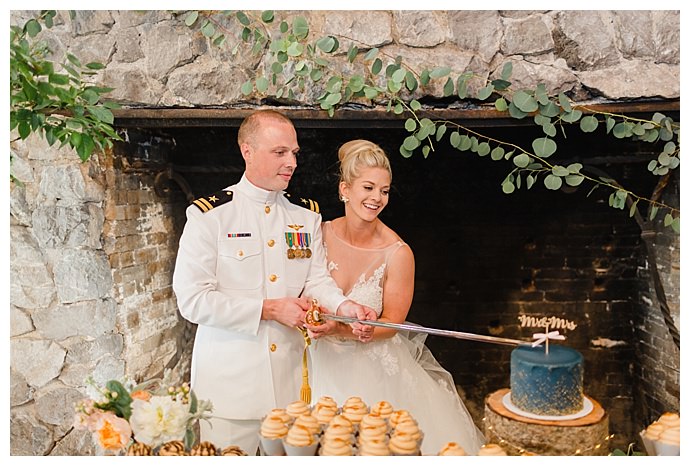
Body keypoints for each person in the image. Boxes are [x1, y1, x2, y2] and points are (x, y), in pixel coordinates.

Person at [172, 110, 376, 455]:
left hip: (291, 386)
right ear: (247, 151)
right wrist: (268, 309)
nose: (291, 162)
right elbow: (192, 300)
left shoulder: (305, 215)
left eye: (294, 153)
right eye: (280, 152)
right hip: (230, 386)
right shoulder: (210, 216)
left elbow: (316, 280)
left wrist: (344, 306)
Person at [305, 139, 485, 455]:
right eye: (368, 188)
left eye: (384, 191)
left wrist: (352, 329)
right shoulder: (319, 233)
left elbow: (393, 324)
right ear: (345, 189)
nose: (377, 198)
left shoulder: (398, 254)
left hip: (372, 371)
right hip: (315, 362)